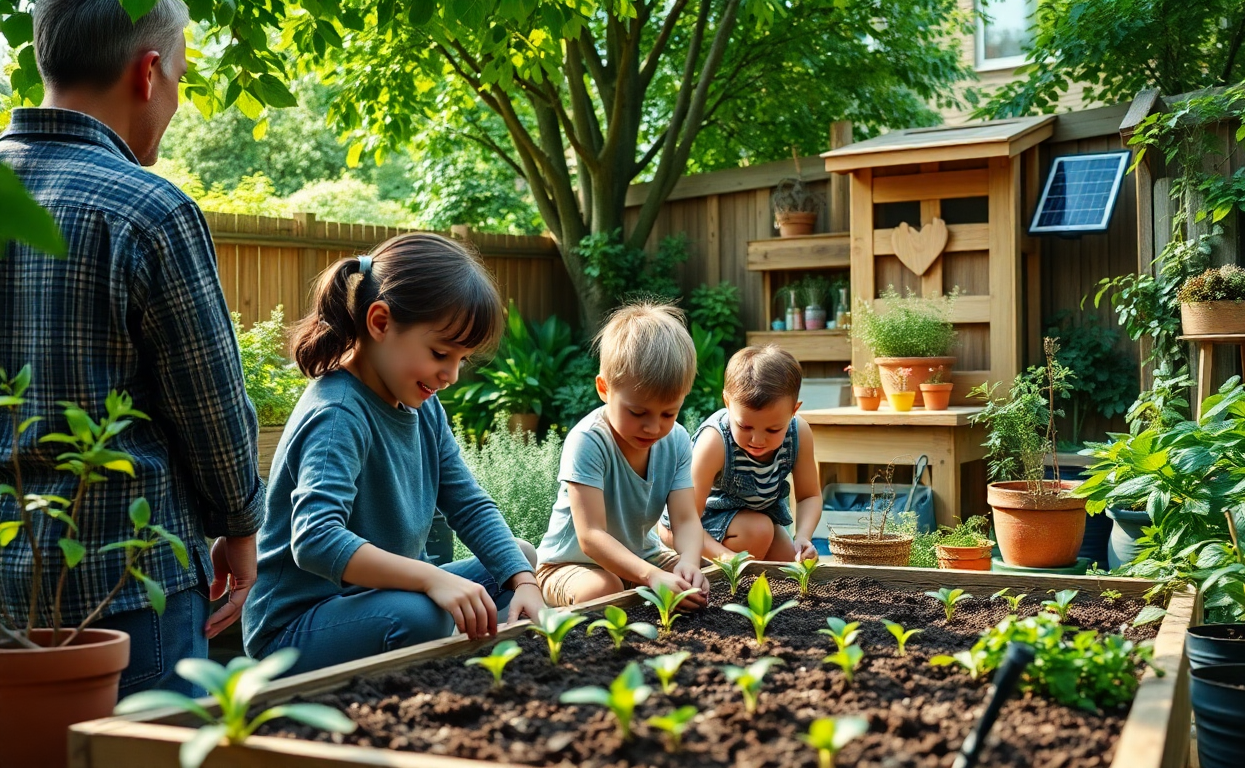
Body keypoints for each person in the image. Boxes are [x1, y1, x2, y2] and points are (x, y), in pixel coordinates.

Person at [0, 0, 260, 697]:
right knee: (143, 746)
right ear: (148, 73)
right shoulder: (150, 211)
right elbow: (210, 405)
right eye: (179, 78)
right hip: (128, 590)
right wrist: (240, 527)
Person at [242, 233, 545, 675]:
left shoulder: (423, 407)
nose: (451, 375)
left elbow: (468, 503)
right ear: (380, 322)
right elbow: (315, 539)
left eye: (462, 359)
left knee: (517, 559)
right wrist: (432, 578)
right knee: (423, 615)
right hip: (296, 629)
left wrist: (524, 581)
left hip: (379, 600)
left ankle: (475, 670)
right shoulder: (338, 413)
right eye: (440, 353)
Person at [535, 303, 711, 606]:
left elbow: (685, 520)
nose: (653, 427)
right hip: (570, 566)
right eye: (637, 412)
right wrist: (652, 576)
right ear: (604, 389)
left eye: (668, 414)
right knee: (604, 590)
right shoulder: (589, 440)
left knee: (704, 581)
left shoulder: (677, 440)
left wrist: (689, 562)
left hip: (642, 559)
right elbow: (591, 536)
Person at [658, 345, 822, 562]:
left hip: (753, 522)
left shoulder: (798, 433)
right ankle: (719, 577)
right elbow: (682, 521)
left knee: (791, 564)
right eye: (745, 427)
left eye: (773, 430)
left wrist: (802, 536)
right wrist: (728, 558)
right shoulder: (715, 441)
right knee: (759, 531)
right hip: (692, 526)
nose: (757, 440)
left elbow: (809, 495)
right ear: (727, 402)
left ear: (793, 411)